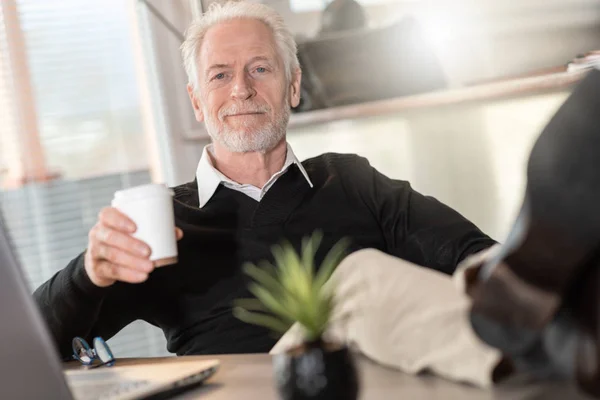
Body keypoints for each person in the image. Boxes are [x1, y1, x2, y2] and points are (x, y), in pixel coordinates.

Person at [33, 0, 496, 383]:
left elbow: (480, 258)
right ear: (197, 101)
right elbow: (26, 350)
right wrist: (89, 274)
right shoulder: (166, 219)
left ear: (293, 86)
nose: (241, 90)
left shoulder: (350, 181)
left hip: (370, 388)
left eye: (259, 69)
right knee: (359, 278)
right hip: (253, 390)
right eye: (219, 75)